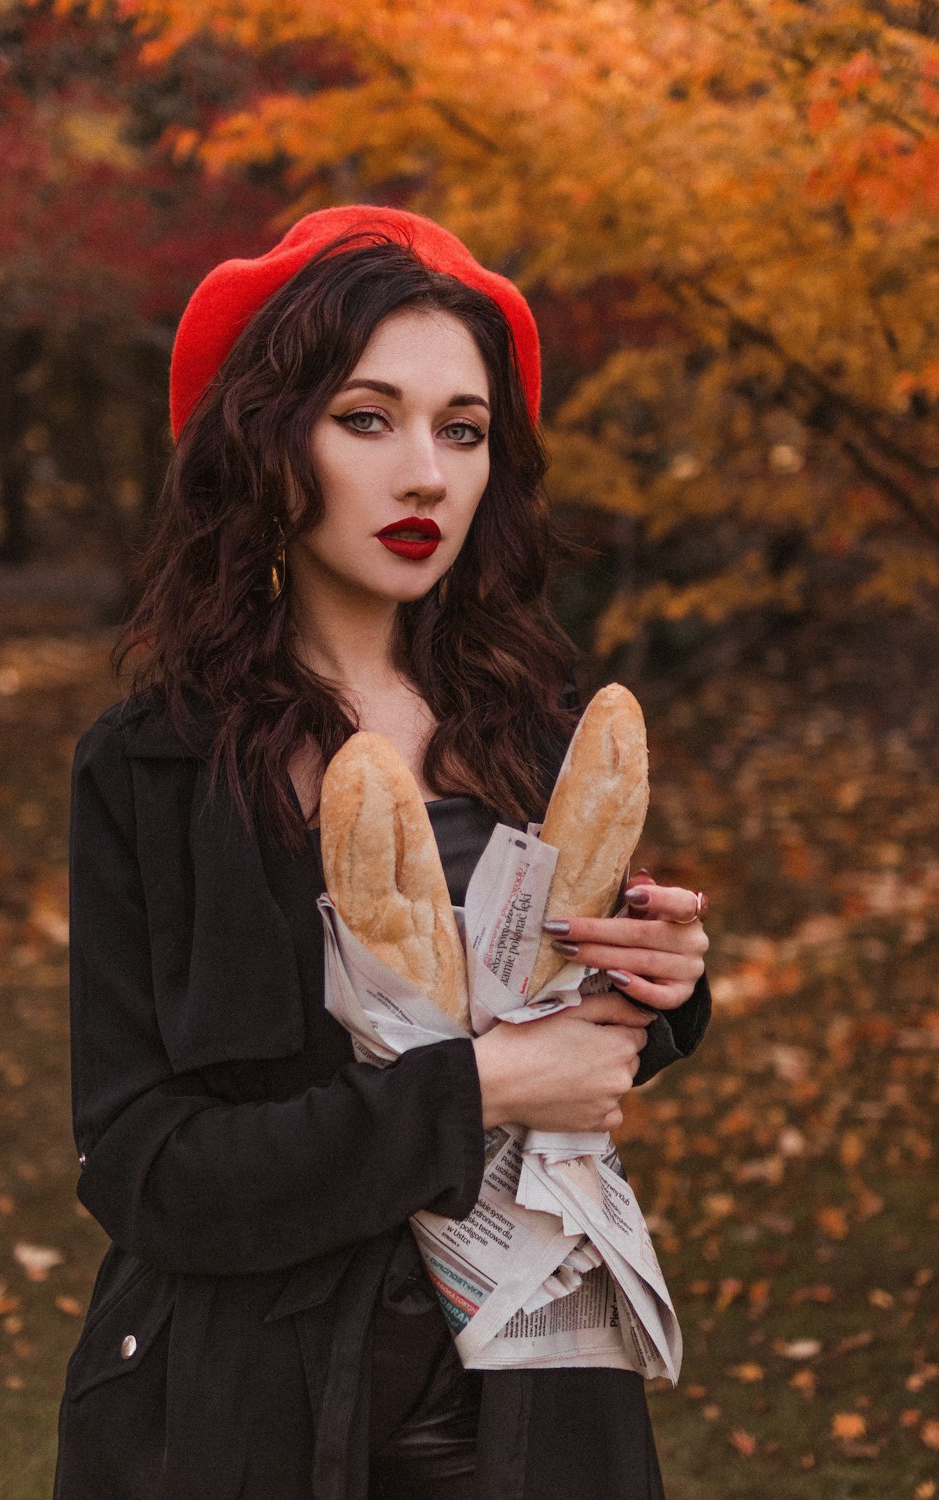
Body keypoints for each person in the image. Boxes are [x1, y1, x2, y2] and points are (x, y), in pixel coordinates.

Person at [53, 205, 710, 1500]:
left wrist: (671, 980)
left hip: (540, 1406)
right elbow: (147, 1173)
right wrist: (480, 1093)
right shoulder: (153, 767)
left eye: (461, 431)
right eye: (368, 419)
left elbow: (572, 1010)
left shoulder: (534, 733)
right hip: (254, 1414)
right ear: (265, 441)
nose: (426, 476)